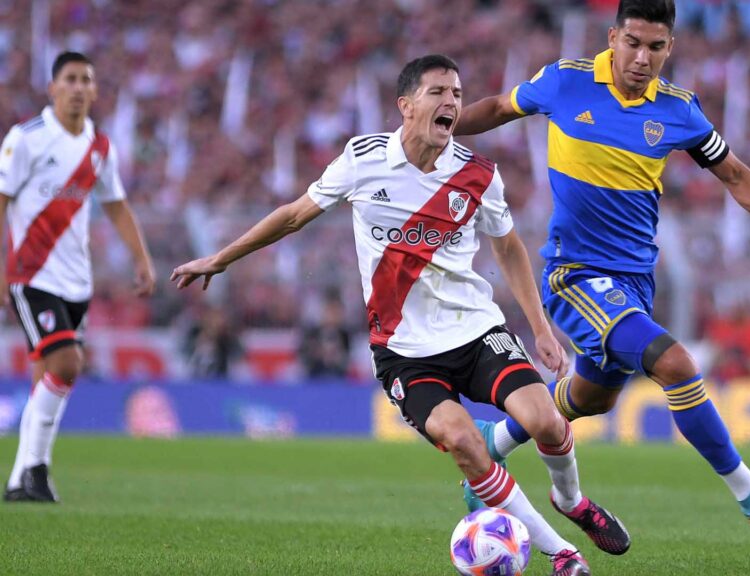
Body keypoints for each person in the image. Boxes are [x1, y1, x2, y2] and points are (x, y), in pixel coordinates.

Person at [172, 54, 631, 575]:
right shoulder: (363, 159)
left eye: (457, 94)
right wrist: (221, 258)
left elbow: (508, 248)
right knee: (463, 442)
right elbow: (294, 215)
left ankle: (571, 501)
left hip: (477, 330)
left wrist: (541, 329)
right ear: (406, 105)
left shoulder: (479, 174)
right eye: (438, 92)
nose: (451, 102)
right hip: (403, 351)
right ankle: (562, 554)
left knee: (545, 420)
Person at [454, 0, 750, 527]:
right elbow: (500, 107)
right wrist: (437, 128)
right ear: (613, 38)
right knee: (676, 364)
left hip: (634, 282)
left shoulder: (679, 110)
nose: (642, 58)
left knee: (591, 398)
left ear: (669, 48)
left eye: (655, 47)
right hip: (575, 276)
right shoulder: (566, 81)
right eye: (633, 43)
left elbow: (734, 174)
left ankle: (493, 441)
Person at [2, 52, 156, 503]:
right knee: (67, 364)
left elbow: (116, 206)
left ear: (94, 90)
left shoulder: (100, 147)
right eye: (69, 79)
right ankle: (36, 469)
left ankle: (21, 481)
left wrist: (141, 258)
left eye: (86, 80)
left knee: (47, 376)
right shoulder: (26, 139)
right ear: (53, 88)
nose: (77, 87)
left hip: (77, 281)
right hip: (32, 275)